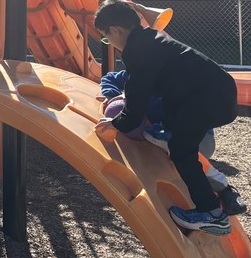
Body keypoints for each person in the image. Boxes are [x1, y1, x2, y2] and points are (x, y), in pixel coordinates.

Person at [94, 0, 239, 235]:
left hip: (208, 100)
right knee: (173, 129)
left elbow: (136, 98)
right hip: (215, 93)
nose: (109, 43)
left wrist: (116, 123)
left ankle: (212, 214)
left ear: (115, 31)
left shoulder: (136, 51)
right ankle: (219, 188)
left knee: (182, 152)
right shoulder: (150, 39)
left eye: (106, 37)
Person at [100, 68, 246, 216]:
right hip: (165, 130)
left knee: (181, 153)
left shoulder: (173, 85)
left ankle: (223, 193)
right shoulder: (139, 74)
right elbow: (110, 78)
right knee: (158, 141)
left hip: (199, 137)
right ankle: (216, 195)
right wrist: (113, 95)